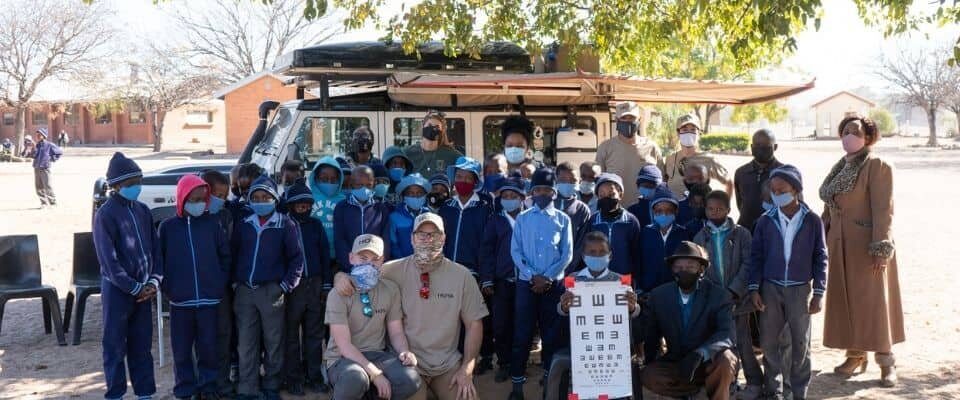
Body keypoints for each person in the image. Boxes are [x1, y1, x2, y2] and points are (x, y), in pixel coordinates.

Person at [333, 213, 488, 400]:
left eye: (434, 234)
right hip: (405, 365)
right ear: (412, 239)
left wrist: (467, 369)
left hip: (446, 365)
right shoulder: (391, 270)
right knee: (409, 387)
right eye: (421, 234)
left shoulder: (462, 276)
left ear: (443, 238)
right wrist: (340, 277)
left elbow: (474, 324)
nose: (427, 240)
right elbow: (362, 275)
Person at [819, 115, 904, 387]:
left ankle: (886, 362)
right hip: (839, 244)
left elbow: (883, 209)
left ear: (868, 137)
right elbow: (830, 206)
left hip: (867, 247)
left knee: (874, 304)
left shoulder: (877, 165)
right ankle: (855, 355)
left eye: (855, 131)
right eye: (845, 130)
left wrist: (881, 247)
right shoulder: (840, 167)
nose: (848, 136)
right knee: (846, 301)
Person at [747, 165, 827, 400]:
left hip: (800, 289)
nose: (777, 194)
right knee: (769, 342)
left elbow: (821, 256)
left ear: (795, 190)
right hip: (770, 288)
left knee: (800, 342)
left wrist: (819, 292)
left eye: (782, 190)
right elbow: (756, 256)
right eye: (773, 191)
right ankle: (774, 390)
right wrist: (754, 288)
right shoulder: (765, 221)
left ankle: (798, 391)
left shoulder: (812, 221)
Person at [92, 152, 160, 400]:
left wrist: (153, 282)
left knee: (142, 345)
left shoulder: (143, 210)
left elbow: (156, 250)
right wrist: (134, 287)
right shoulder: (105, 215)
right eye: (131, 184)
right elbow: (108, 261)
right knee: (114, 345)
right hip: (118, 292)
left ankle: (145, 393)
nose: (136, 187)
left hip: (144, 291)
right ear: (117, 186)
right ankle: (116, 393)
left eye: (139, 182)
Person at [157, 175, 231, 400]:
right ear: (182, 198)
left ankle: (208, 387)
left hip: (209, 300)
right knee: (181, 350)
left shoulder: (212, 224)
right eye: (194, 200)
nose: (199, 204)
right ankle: (185, 389)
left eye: (202, 200)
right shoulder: (168, 228)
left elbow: (225, 256)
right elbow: (159, 261)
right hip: (180, 302)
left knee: (208, 348)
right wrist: (169, 288)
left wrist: (218, 282)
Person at [232, 176, 305, 400]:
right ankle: (247, 387)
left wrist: (285, 285)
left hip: (272, 291)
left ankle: (272, 384)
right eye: (255, 197)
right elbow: (234, 253)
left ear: (274, 199)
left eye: (266, 197)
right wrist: (235, 282)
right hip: (245, 291)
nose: (260, 201)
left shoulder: (285, 224)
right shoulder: (244, 223)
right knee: (246, 342)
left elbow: (296, 259)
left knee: (274, 340)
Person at [325, 234, 421, 400]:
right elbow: (344, 345)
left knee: (410, 380)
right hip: (342, 358)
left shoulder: (390, 289)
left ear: (382, 260)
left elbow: (396, 332)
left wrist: (404, 351)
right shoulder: (337, 293)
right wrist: (375, 374)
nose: (369, 264)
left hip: (377, 354)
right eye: (363, 258)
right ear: (351, 258)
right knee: (355, 379)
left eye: (375, 259)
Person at [548, 230, 641, 400]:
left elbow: (635, 311)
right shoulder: (573, 279)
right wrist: (564, 306)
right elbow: (561, 310)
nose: (597, 256)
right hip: (580, 344)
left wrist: (632, 307)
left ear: (610, 255)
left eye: (602, 252)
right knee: (562, 367)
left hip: (614, 346)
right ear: (583, 256)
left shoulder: (621, 281)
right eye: (592, 252)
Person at [640, 241, 738, 400]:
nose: (684, 271)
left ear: (701, 269)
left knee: (726, 359)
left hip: (709, 362)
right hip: (677, 362)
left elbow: (727, 334)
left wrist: (701, 353)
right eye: (679, 267)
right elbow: (651, 335)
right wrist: (651, 361)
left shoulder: (719, 295)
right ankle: (694, 393)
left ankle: (716, 392)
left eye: (690, 267)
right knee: (649, 375)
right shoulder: (658, 296)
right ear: (672, 270)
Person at [507, 167, 573, 400]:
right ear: (532, 192)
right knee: (522, 334)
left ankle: (549, 382)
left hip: (553, 286)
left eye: (547, 190)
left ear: (554, 192)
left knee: (551, 334)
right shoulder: (523, 218)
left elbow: (567, 254)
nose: (542, 194)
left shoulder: (563, 219)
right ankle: (517, 386)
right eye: (538, 190)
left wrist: (547, 277)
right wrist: (532, 275)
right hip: (527, 285)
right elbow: (516, 251)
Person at [691, 190, 762, 399]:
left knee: (743, 342)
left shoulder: (741, 234)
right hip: (715, 302)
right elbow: (699, 269)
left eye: (719, 209)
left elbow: (748, 263)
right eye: (710, 209)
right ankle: (730, 383)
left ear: (729, 210)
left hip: (738, 300)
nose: (714, 213)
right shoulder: (700, 237)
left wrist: (734, 290)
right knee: (723, 344)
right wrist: (716, 296)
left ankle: (755, 382)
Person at [437, 157, 495, 371]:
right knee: (450, 316)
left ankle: (483, 357)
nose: (462, 181)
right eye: (459, 176)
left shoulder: (485, 207)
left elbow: (487, 245)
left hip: (473, 272)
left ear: (475, 181)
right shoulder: (446, 207)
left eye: (468, 177)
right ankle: (455, 358)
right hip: (447, 270)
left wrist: (485, 276)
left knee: (476, 316)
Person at [282, 180, 332, 395]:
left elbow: (324, 254)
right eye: (299, 205)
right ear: (291, 206)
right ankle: (293, 378)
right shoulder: (284, 225)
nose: (304, 208)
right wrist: (284, 285)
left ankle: (314, 376)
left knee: (314, 333)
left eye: (308, 205)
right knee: (291, 334)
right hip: (293, 288)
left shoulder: (315, 225)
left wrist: (326, 284)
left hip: (315, 285)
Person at [479, 175, 526, 383]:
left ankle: (519, 365)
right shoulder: (496, 220)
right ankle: (504, 363)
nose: (508, 199)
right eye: (505, 196)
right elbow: (487, 251)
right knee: (501, 325)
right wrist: (487, 278)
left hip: (525, 282)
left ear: (522, 197)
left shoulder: (528, 219)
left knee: (521, 324)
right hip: (501, 282)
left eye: (513, 196)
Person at [200, 169, 239, 397]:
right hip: (198, 289)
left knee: (224, 334)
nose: (221, 200)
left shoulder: (225, 217)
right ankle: (203, 384)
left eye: (225, 196)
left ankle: (222, 382)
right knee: (202, 338)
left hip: (221, 287)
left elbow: (229, 252)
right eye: (217, 195)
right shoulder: (192, 217)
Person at [595, 101, 664, 207]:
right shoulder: (605, 148)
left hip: (647, 210)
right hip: (615, 211)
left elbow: (662, 182)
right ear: (616, 120)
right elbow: (599, 181)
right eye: (624, 118)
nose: (628, 121)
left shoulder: (652, 147)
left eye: (632, 118)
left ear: (639, 120)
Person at [582, 173, 643, 280]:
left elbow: (637, 254)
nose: (606, 198)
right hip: (596, 279)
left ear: (620, 195)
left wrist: (635, 280)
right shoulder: (593, 221)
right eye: (602, 195)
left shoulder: (631, 221)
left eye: (611, 195)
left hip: (623, 279)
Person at [334, 165, 392, 270]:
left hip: (375, 267)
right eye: (359, 185)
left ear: (374, 184)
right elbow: (340, 240)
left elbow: (386, 240)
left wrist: (379, 263)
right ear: (351, 185)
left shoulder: (381, 209)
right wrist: (350, 265)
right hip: (350, 266)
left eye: (368, 185)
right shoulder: (341, 208)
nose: (364, 189)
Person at [664, 113, 733, 197]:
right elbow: (664, 182)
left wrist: (724, 203)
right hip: (675, 205)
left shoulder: (709, 159)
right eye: (685, 130)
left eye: (693, 130)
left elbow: (728, 182)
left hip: (698, 205)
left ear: (699, 133)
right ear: (678, 133)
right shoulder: (670, 159)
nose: (689, 133)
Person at [638, 188, 689, 294]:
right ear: (653, 212)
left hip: (675, 289)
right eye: (659, 211)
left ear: (676, 211)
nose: (664, 214)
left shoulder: (683, 233)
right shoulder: (646, 232)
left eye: (669, 210)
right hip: (649, 289)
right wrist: (640, 287)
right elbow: (639, 261)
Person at [734, 129, 784, 231]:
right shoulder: (741, 173)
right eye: (757, 145)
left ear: (775, 147)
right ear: (751, 147)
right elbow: (740, 203)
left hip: (775, 231)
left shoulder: (785, 173)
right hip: (746, 229)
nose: (761, 149)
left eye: (766, 146)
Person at [308, 156, 347, 266]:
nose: (329, 182)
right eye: (324, 179)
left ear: (339, 179)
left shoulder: (344, 200)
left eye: (333, 179)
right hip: (315, 255)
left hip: (338, 257)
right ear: (315, 178)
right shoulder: (308, 198)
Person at [554, 161, 591, 271]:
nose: (567, 184)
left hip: (570, 270)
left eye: (572, 180)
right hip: (544, 270)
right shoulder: (546, 204)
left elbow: (581, 244)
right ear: (556, 180)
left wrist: (568, 268)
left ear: (579, 181)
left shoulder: (582, 210)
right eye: (563, 180)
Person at [405, 110, 463, 177]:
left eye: (437, 127)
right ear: (422, 126)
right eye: (429, 125)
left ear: (442, 131)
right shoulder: (407, 152)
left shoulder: (452, 155)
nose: (432, 128)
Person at [388, 173, 431, 259]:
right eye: (411, 193)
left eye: (419, 193)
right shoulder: (394, 217)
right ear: (404, 196)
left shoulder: (430, 216)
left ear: (425, 195)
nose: (415, 196)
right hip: (402, 264)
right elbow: (393, 244)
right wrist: (403, 262)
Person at [31, 128, 62, 207]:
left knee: (47, 185)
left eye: (40, 135)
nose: (38, 136)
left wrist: (51, 159)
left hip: (45, 168)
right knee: (38, 186)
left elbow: (59, 152)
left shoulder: (49, 145)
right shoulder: (37, 145)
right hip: (36, 168)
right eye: (37, 135)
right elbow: (34, 156)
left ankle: (53, 202)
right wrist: (33, 149)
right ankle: (43, 203)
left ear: (44, 136)